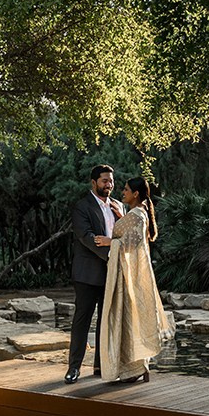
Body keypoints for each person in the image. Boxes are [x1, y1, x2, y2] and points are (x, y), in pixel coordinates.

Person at [94, 176, 172, 383]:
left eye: (127, 190)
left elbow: (131, 244)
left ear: (136, 194)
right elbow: (133, 236)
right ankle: (137, 367)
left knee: (128, 320)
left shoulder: (137, 215)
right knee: (129, 320)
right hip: (130, 274)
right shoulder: (137, 213)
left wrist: (110, 242)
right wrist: (121, 217)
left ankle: (134, 368)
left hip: (129, 277)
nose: (123, 192)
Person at [66, 164, 122, 383]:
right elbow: (86, 237)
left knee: (105, 322)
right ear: (94, 182)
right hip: (87, 274)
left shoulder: (117, 206)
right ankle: (74, 368)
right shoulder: (82, 206)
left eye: (111, 181)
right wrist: (111, 254)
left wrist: (117, 255)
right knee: (82, 321)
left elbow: (121, 235)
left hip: (111, 273)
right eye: (104, 181)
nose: (109, 185)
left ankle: (101, 366)